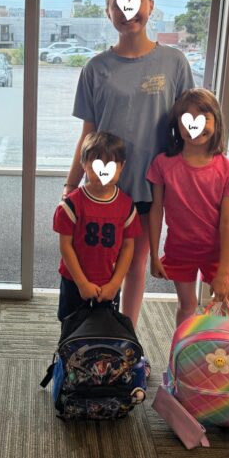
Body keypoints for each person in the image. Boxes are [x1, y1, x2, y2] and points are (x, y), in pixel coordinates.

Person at [64, 0, 229, 327]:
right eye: (117, 4)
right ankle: (94, 335)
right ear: (108, 12)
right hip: (104, 188)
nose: (126, 11)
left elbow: (195, 124)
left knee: (134, 266)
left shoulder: (173, 62)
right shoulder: (95, 69)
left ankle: (125, 338)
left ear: (150, 7)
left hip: (153, 188)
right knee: (97, 262)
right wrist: (71, 185)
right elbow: (88, 132)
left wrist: (225, 170)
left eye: (134, 2)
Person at [147, 88, 229, 326]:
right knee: (186, 307)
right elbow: (156, 210)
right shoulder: (163, 164)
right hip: (180, 249)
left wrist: (222, 273)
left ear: (216, 122)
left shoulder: (227, 170)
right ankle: (179, 359)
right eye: (186, 119)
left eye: (203, 118)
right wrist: (153, 255)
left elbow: (227, 223)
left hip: (217, 252)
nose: (195, 127)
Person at [54, 132, 142, 322]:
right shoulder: (71, 205)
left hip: (108, 283)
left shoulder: (126, 206)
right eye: (96, 166)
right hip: (74, 281)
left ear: (122, 167)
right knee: (71, 328)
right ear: (84, 164)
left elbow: (128, 247)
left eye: (111, 166)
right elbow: (65, 246)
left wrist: (116, 283)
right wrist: (82, 283)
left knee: (104, 328)